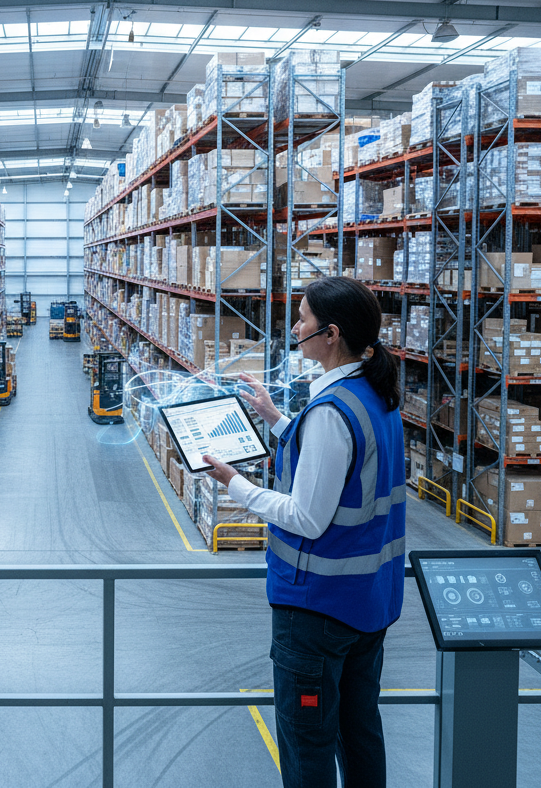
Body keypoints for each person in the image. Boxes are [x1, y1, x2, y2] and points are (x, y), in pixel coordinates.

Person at [201, 277, 406, 788]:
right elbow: (339, 463)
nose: (295, 328)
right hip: (369, 602)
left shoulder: (331, 413)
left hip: (318, 609)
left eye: (303, 320)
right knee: (360, 732)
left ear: (330, 334)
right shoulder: (373, 396)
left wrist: (238, 485)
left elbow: (308, 516)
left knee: (307, 741)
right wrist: (275, 418)